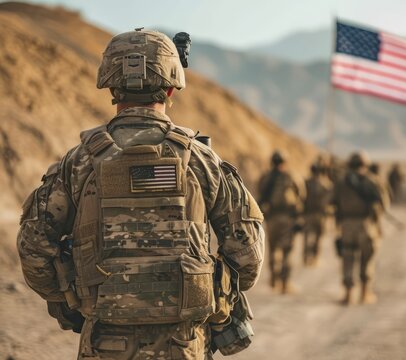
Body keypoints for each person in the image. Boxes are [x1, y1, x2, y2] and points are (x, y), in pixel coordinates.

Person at [17, 28, 264, 359]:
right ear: (173, 86)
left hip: (103, 342)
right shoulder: (202, 160)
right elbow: (248, 257)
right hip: (184, 344)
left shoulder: (79, 162)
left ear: (111, 84)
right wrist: (212, 294)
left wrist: (74, 301)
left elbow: (33, 249)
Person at [334, 152, 384, 305]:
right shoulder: (372, 181)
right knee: (367, 259)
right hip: (366, 225)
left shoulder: (342, 181)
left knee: (348, 258)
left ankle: (348, 295)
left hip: (347, 225)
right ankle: (365, 293)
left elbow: (332, 201)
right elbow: (383, 203)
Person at [258, 151, 304, 294]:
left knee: (273, 249)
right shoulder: (291, 176)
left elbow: (259, 195)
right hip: (287, 219)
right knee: (287, 251)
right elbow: (302, 194)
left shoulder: (266, 177)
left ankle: (273, 279)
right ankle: (284, 284)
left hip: (272, 219)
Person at [302, 162, 333, 266]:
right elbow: (330, 200)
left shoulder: (305, 183)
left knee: (306, 236)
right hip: (321, 215)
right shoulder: (326, 184)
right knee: (318, 237)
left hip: (308, 214)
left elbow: (301, 197)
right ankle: (315, 257)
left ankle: (306, 257)